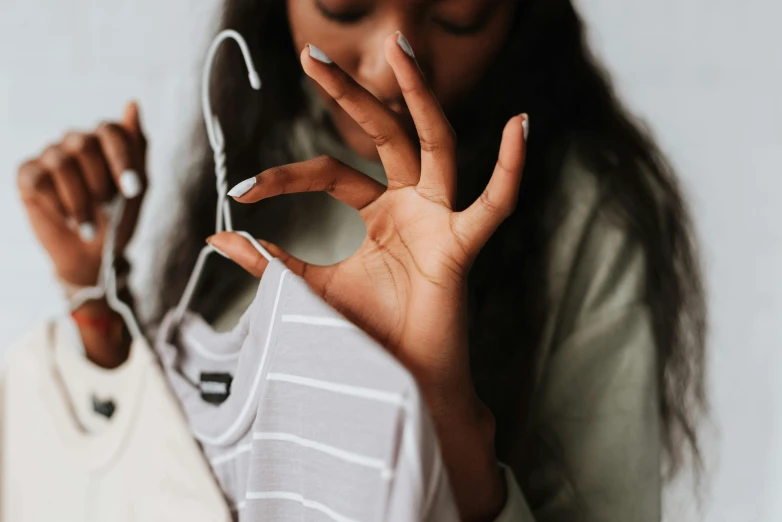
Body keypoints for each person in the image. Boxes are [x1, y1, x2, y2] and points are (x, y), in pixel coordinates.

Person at [15, 0, 707, 520]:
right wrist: (96, 294)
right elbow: (187, 479)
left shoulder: (585, 215)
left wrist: (444, 422)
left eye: (457, 12)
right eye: (346, 3)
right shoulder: (266, 145)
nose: (388, 63)